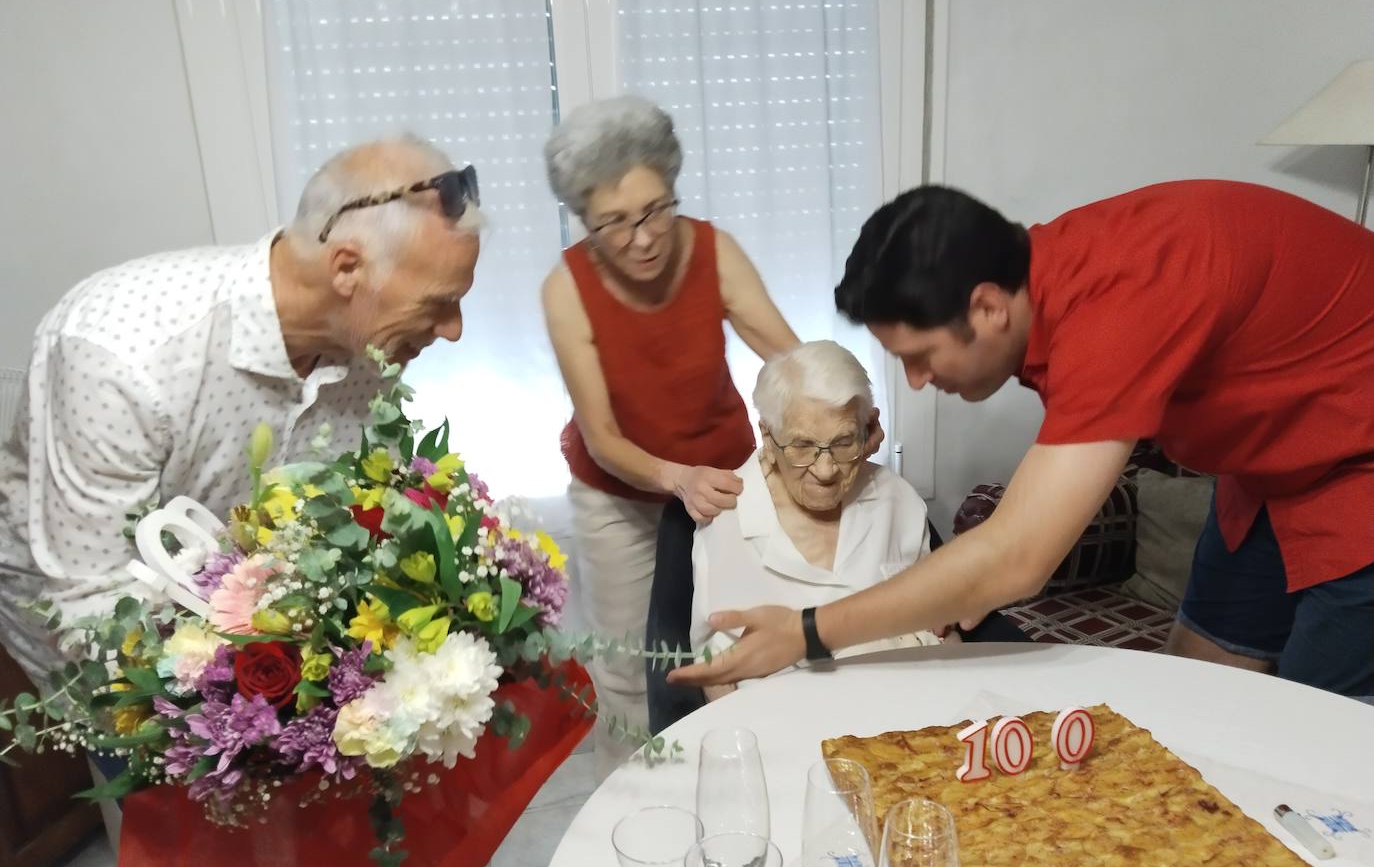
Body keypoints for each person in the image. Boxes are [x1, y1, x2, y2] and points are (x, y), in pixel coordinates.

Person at [0, 134, 482, 867]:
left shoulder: (364, 346)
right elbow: (85, 592)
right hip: (100, 622)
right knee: (199, 840)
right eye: (442, 303)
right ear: (346, 267)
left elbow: (347, 505)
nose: (453, 329)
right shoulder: (122, 346)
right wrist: (240, 691)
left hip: (263, 602)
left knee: (347, 767)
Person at [668, 180, 1374, 699]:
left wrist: (808, 630)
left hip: (1356, 469)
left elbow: (1017, 557)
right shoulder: (1045, 275)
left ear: (987, 307)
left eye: (920, 356)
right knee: (1193, 694)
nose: (914, 382)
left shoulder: (1116, 307)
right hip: (1264, 473)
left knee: (1312, 736)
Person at [540, 95, 805, 776]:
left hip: (723, 477)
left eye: (656, 209)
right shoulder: (565, 289)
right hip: (618, 494)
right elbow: (601, 436)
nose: (644, 237)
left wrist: (836, 403)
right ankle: (632, 797)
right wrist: (674, 478)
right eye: (614, 223)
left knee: (730, 640)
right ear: (583, 219)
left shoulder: (714, 251)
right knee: (630, 661)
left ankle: (739, 779)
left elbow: (786, 354)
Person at [667, 341, 942, 721]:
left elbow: (938, 630)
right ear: (767, 435)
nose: (826, 470)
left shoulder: (898, 500)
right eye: (803, 446)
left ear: (868, 428)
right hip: (782, 725)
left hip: (902, 720)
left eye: (844, 442)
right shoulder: (729, 517)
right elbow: (719, 671)